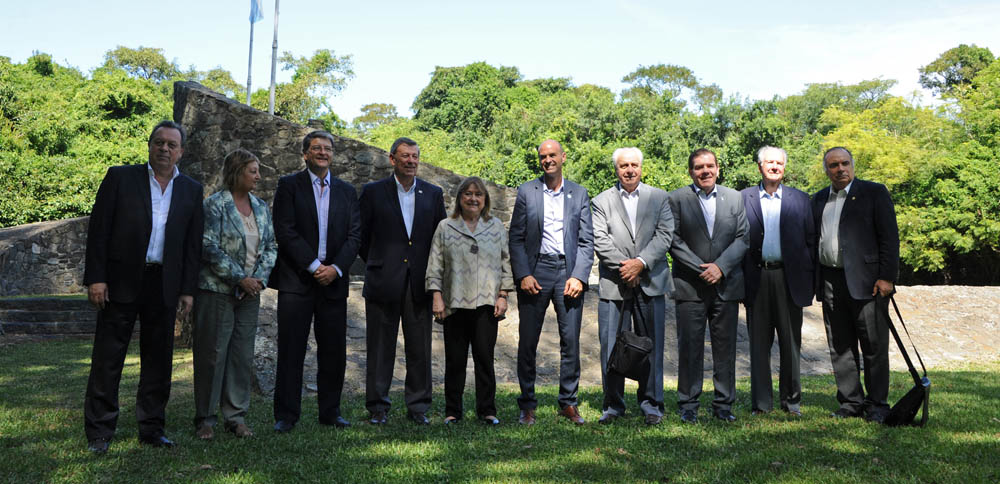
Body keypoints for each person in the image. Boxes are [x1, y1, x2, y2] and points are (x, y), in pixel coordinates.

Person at [83, 120, 204, 453]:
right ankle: (99, 432)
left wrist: (188, 289)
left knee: (158, 360)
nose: (164, 149)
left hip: (163, 284)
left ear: (181, 152)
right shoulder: (120, 178)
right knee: (108, 359)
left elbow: (192, 246)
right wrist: (96, 277)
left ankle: (152, 428)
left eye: (171, 145)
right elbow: (99, 231)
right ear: (149, 145)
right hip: (120, 281)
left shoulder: (192, 190)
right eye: (158, 142)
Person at [269, 130, 361, 432]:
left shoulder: (347, 192)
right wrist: (312, 266)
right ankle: (286, 415)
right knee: (292, 349)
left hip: (333, 281)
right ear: (305, 154)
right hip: (297, 280)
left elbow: (354, 236)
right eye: (317, 148)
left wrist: (335, 268)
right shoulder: (289, 186)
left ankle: (330, 412)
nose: (323, 153)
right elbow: (284, 230)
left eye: (328, 148)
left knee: (333, 351)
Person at [359, 137, 446, 426]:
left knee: (419, 348)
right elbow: (362, 236)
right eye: (405, 156)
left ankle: (418, 406)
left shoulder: (433, 194)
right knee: (380, 347)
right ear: (392, 159)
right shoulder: (373, 192)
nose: (411, 161)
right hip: (383, 280)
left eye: (415, 156)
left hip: (419, 282)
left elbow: (440, 239)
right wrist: (379, 261)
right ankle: (378, 407)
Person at [192, 149, 277, 439]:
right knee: (213, 355)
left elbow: (271, 247)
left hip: (250, 294)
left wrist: (257, 280)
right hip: (217, 290)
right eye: (253, 171)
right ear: (237, 172)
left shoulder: (261, 207)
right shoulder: (214, 205)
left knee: (241, 355)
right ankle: (205, 418)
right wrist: (240, 278)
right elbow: (207, 246)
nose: (258, 176)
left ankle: (236, 416)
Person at [509, 139, 594, 426]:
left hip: (568, 273)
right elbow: (516, 238)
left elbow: (586, 241)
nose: (548, 160)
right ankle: (527, 405)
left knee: (570, 341)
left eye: (553, 155)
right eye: (543, 156)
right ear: (540, 160)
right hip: (536, 271)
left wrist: (579, 276)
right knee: (528, 341)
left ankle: (568, 403)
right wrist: (523, 275)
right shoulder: (527, 191)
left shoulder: (579, 193)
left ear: (563, 157)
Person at [811, 146, 899, 423]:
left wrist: (887, 277)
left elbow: (889, 238)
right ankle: (850, 402)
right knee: (840, 346)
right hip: (830, 280)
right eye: (833, 165)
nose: (840, 169)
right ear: (826, 170)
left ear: (852, 165)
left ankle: (877, 405)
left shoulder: (874, 192)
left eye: (844, 163)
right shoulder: (818, 200)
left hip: (869, 282)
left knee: (873, 346)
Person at [591, 148, 673, 426]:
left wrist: (641, 263)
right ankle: (613, 405)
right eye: (624, 165)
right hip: (615, 283)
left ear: (641, 167)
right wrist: (627, 268)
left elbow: (665, 235)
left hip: (651, 280)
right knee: (611, 345)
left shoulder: (660, 197)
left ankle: (652, 404)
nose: (629, 170)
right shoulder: (601, 201)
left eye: (634, 165)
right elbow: (599, 239)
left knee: (652, 345)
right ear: (616, 169)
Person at [667, 148, 748, 424]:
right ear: (691, 171)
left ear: (718, 168)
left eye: (710, 166)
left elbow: (743, 238)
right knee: (690, 348)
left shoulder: (735, 198)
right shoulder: (677, 198)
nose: (705, 171)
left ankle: (724, 404)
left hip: (726, 285)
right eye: (699, 167)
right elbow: (673, 240)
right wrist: (701, 268)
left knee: (725, 348)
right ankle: (688, 404)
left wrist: (720, 268)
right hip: (690, 285)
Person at [426, 177, 513, 425]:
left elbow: (505, 262)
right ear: (459, 198)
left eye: (478, 194)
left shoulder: (495, 226)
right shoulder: (446, 226)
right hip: (454, 303)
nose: (473, 198)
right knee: (455, 360)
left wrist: (503, 295)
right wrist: (436, 296)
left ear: (485, 199)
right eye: (468, 194)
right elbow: (435, 264)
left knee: (484, 359)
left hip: (487, 303)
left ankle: (487, 410)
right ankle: (453, 411)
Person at [740, 146, 815, 417]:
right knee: (758, 344)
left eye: (779, 163)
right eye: (769, 162)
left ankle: (791, 402)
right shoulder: (743, 198)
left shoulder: (801, 200)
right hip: (756, 278)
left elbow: (810, 244)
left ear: (785, 167)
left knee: (790, 343)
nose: (774, 167)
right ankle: (761, 403)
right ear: (759, 166)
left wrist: (811, 283)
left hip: (789, 280)